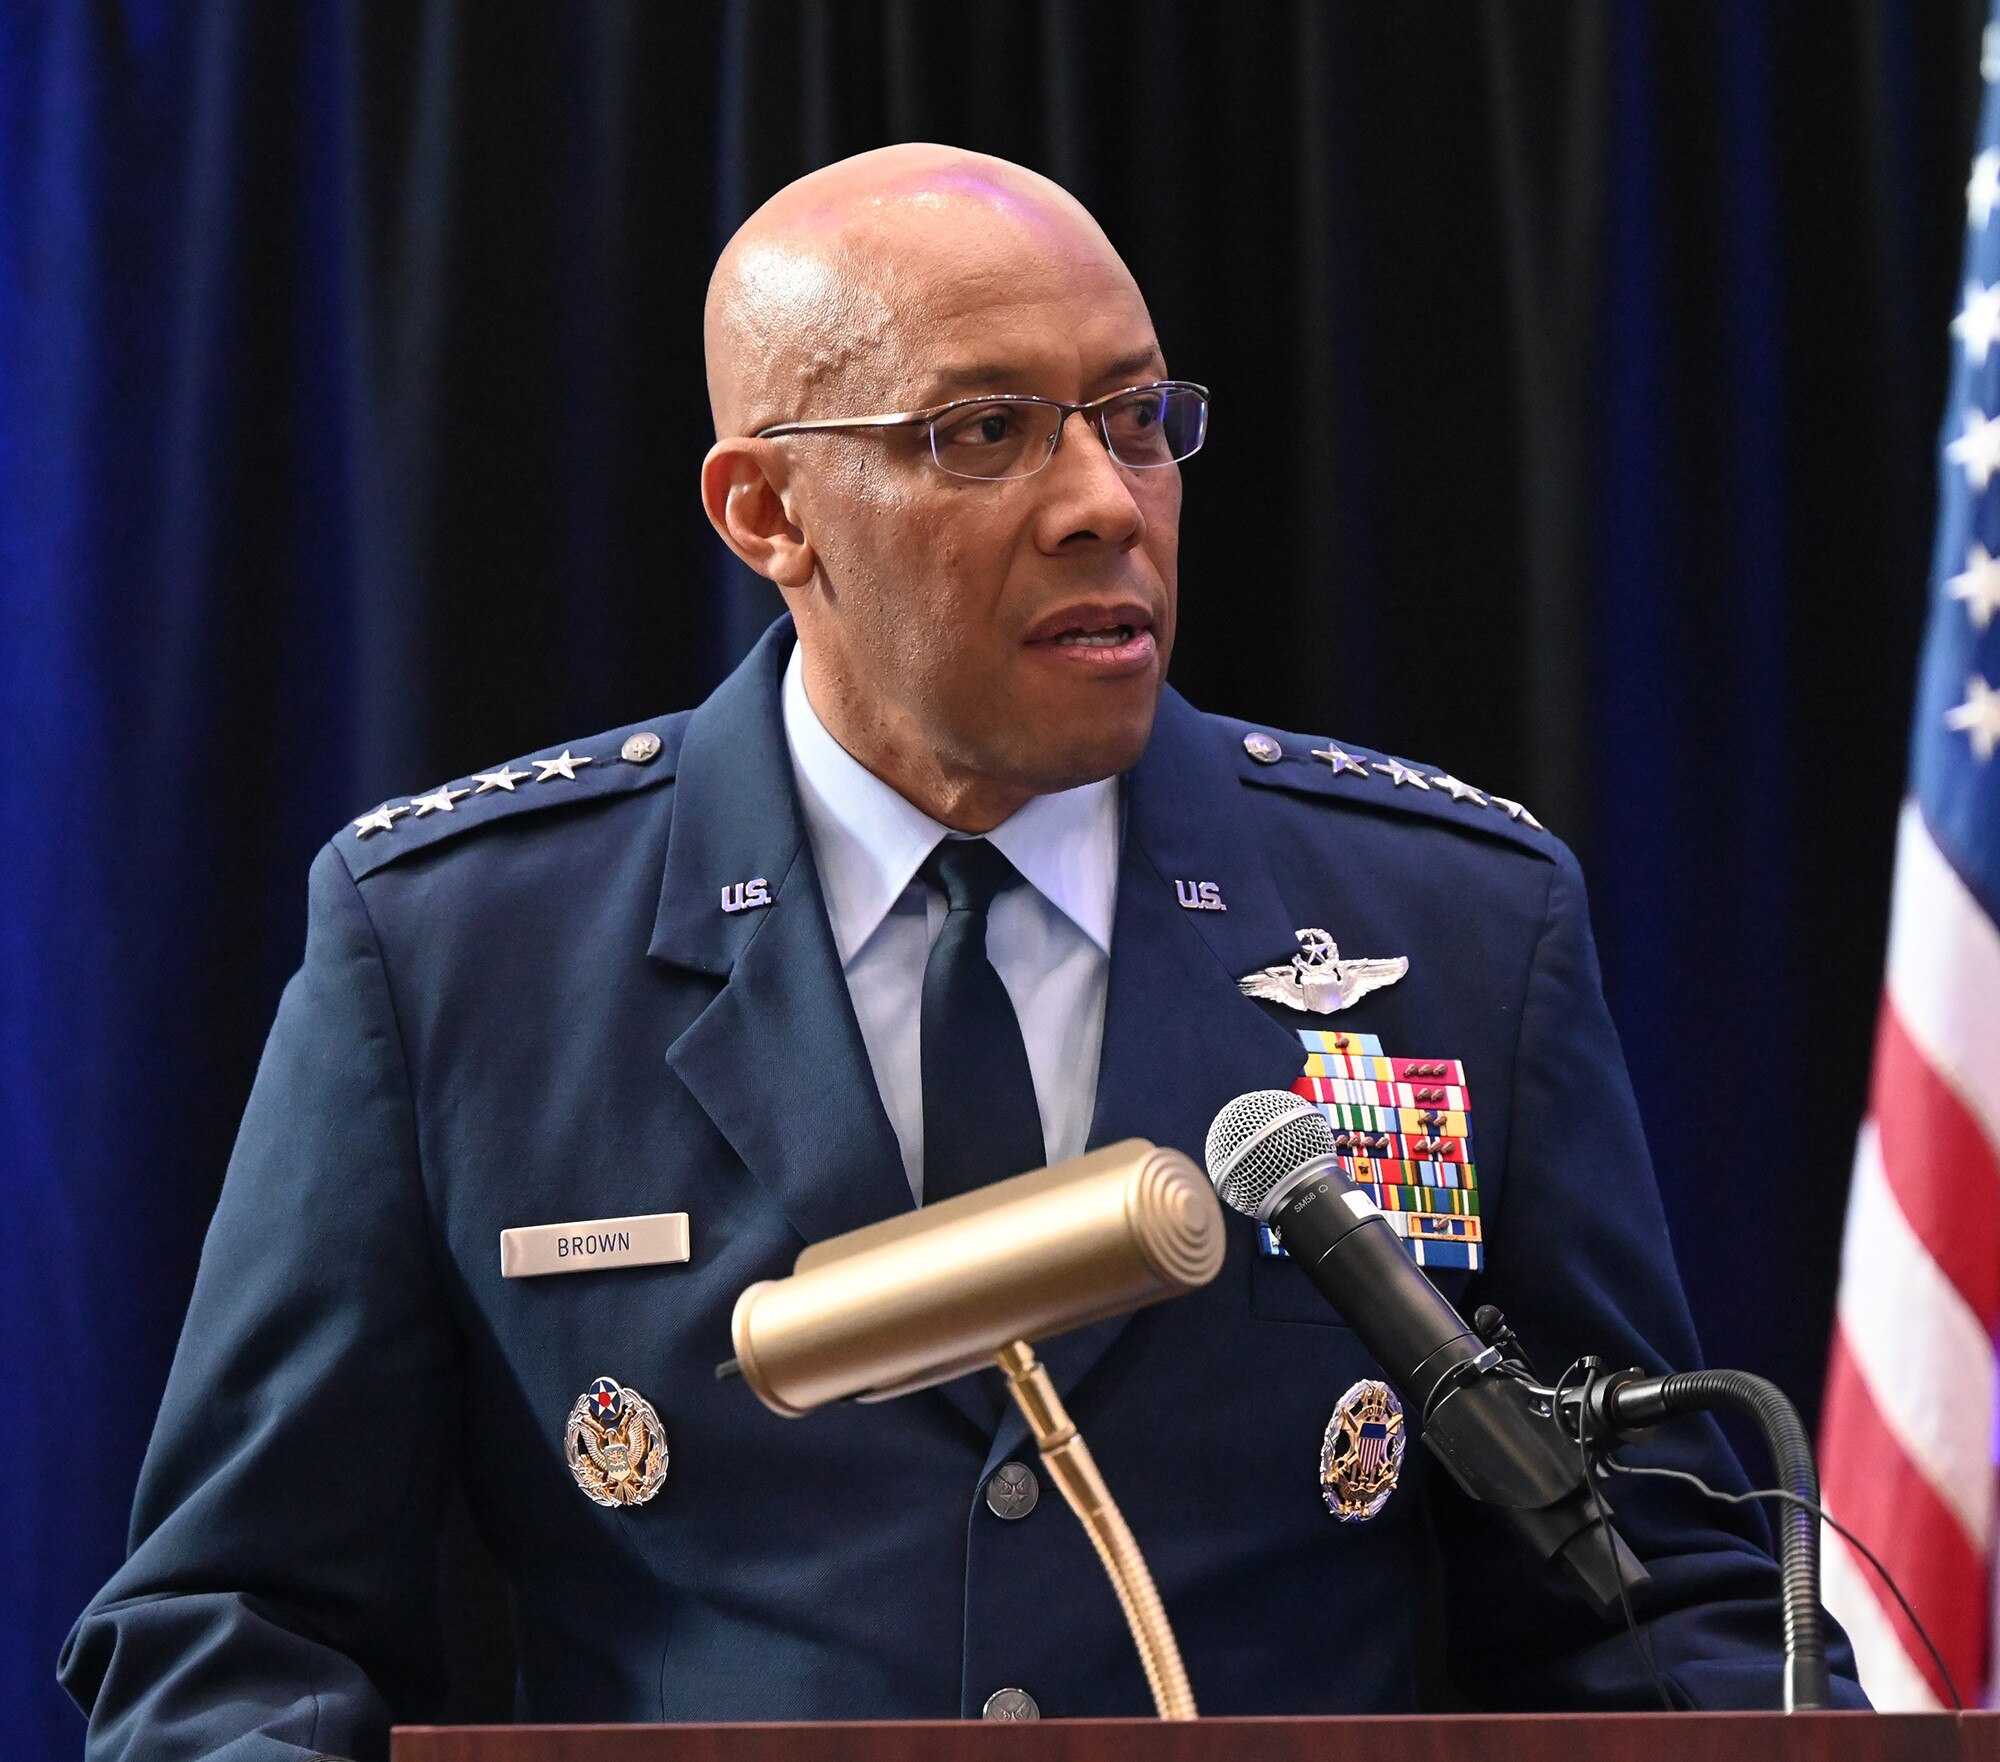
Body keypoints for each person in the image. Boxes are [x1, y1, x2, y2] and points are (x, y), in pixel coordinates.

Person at [62, 143, 1862, 1759]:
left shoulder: (1453, 917)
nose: (1105, 499)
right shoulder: (461, 946)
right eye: (985, 432)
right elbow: (236, 1630)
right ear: (768, 511)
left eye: (1138, 417)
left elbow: (1651, 1600)